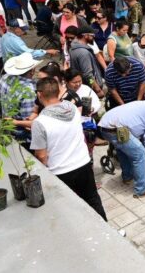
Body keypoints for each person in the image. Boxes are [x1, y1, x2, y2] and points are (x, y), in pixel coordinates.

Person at [30, 77, 107, 221]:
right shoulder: (71, 108)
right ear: (58, 91)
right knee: (93, 199)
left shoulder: (40, 123)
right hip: (83, 163)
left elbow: (41, 156)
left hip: (61, 171)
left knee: (69, 208)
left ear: (39, 95)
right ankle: (109, 232)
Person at [98, 99, 145, 197]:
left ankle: (127, 176)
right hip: (117, 130)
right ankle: (142, 189)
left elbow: (138, 128)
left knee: (123, 150)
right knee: (141, 154)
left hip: (104, 127)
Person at [0, 53, 40, 144]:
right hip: (21, 132)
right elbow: (28, 121)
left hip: (6, 125)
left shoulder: (5, 77)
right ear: (32, 70)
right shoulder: (29, 91)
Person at [69, 26, 105, 98]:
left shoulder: (74, 47)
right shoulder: (84, 53)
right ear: (85, 36)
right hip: (90, 89)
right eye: (92, 35)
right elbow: (88, 75)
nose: (94, 37)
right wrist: (97, 89)